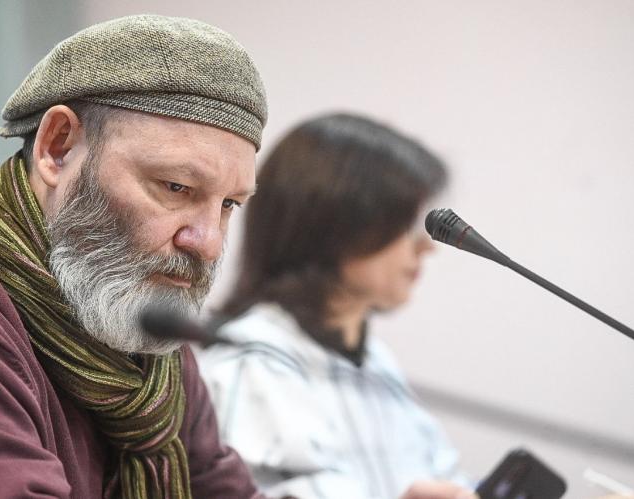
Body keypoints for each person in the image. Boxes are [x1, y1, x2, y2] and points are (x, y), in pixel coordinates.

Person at [0, 15, 266, 499]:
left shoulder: (150, 349)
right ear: (58, 148)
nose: (208, 243)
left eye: (229, 204)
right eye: (176, 187)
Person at [197, 113, 473, 499]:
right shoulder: (248, 364)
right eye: (406, 224)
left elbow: (444, 474)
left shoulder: (378, 364)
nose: (427, 247)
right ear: (335, 223)